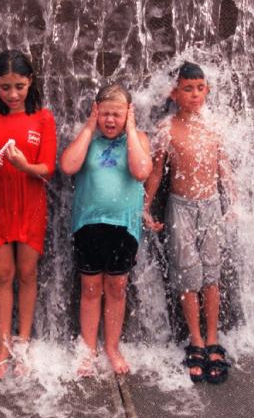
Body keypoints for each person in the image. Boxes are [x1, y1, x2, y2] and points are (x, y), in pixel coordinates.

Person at [143, 62, 236, 384]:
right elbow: (156, 172)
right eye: (188, 88)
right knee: (188, 275)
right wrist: (145, 206)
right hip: (179, 207)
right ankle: (195, 339)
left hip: (210, 206)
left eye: (200, 88)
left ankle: (213, 339)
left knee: (211, 275)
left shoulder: (214, 127)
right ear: (175, 92)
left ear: (206, 90)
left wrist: (234, 202)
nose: (195, 94)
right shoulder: (167, 130)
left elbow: (224, 167)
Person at [0, 50, 56, 379]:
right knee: (3, 273)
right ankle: (3, 344)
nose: (13, 94)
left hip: (31, 205)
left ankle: (24, 342)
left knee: (27, 273)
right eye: (5, 87)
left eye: (19, 86)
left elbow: (48, 169)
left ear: (30, 81)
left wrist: (23, 165)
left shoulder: (43, 118)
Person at [60, 84, 152, 376]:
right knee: (90, 288)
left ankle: (112, 346)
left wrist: (133, 130)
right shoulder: (88, 140)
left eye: (118, 114)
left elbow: (141, 171)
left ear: (129, 114)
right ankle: (88, 348)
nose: (110, 120)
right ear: (96, 112)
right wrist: (88, 128)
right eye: (105, 114)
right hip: (88, 225)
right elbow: (67, 165)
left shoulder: (139, 140)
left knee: (117, 287)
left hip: (124, 227)